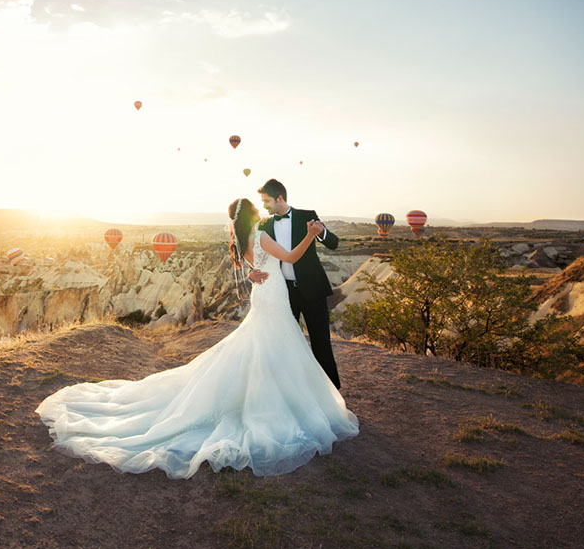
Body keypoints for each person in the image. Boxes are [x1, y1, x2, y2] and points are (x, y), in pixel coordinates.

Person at [34, 197, 358, 479]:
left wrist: (253, 272)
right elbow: (290, 258)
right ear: (253, 216)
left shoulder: (244, 239)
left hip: (264, 295)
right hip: (272, 297)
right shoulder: (261, 234)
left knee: (263, 347)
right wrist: (310, 234)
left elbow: (253, 267)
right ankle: (282, 405)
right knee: (276, 347)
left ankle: (267, 400)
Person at [251, 178, 344, 390]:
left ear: (280, 198)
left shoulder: (307, 216)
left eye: (266, 201)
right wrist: (251, 273)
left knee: (321, 344)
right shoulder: (264, 225)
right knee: (286, 345)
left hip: (313, 290)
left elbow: (334, 243)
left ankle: (331, 393)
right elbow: (258, 256)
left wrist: (321, 233)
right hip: (282, 294)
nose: (263, 206)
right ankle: (292, 393)